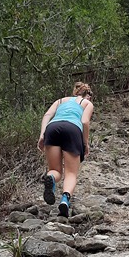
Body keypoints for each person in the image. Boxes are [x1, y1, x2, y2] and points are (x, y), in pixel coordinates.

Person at [37, 82, 94, 217]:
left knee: (55, 170)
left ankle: (50, 178)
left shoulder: (60, 101)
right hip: (72, 129)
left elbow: (47, 115)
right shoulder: (87, 104)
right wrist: (85, 143)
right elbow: (85, 121)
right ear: (88, 96)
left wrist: (42, 135)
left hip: (52, 128)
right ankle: (65, 200)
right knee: (71, 173)